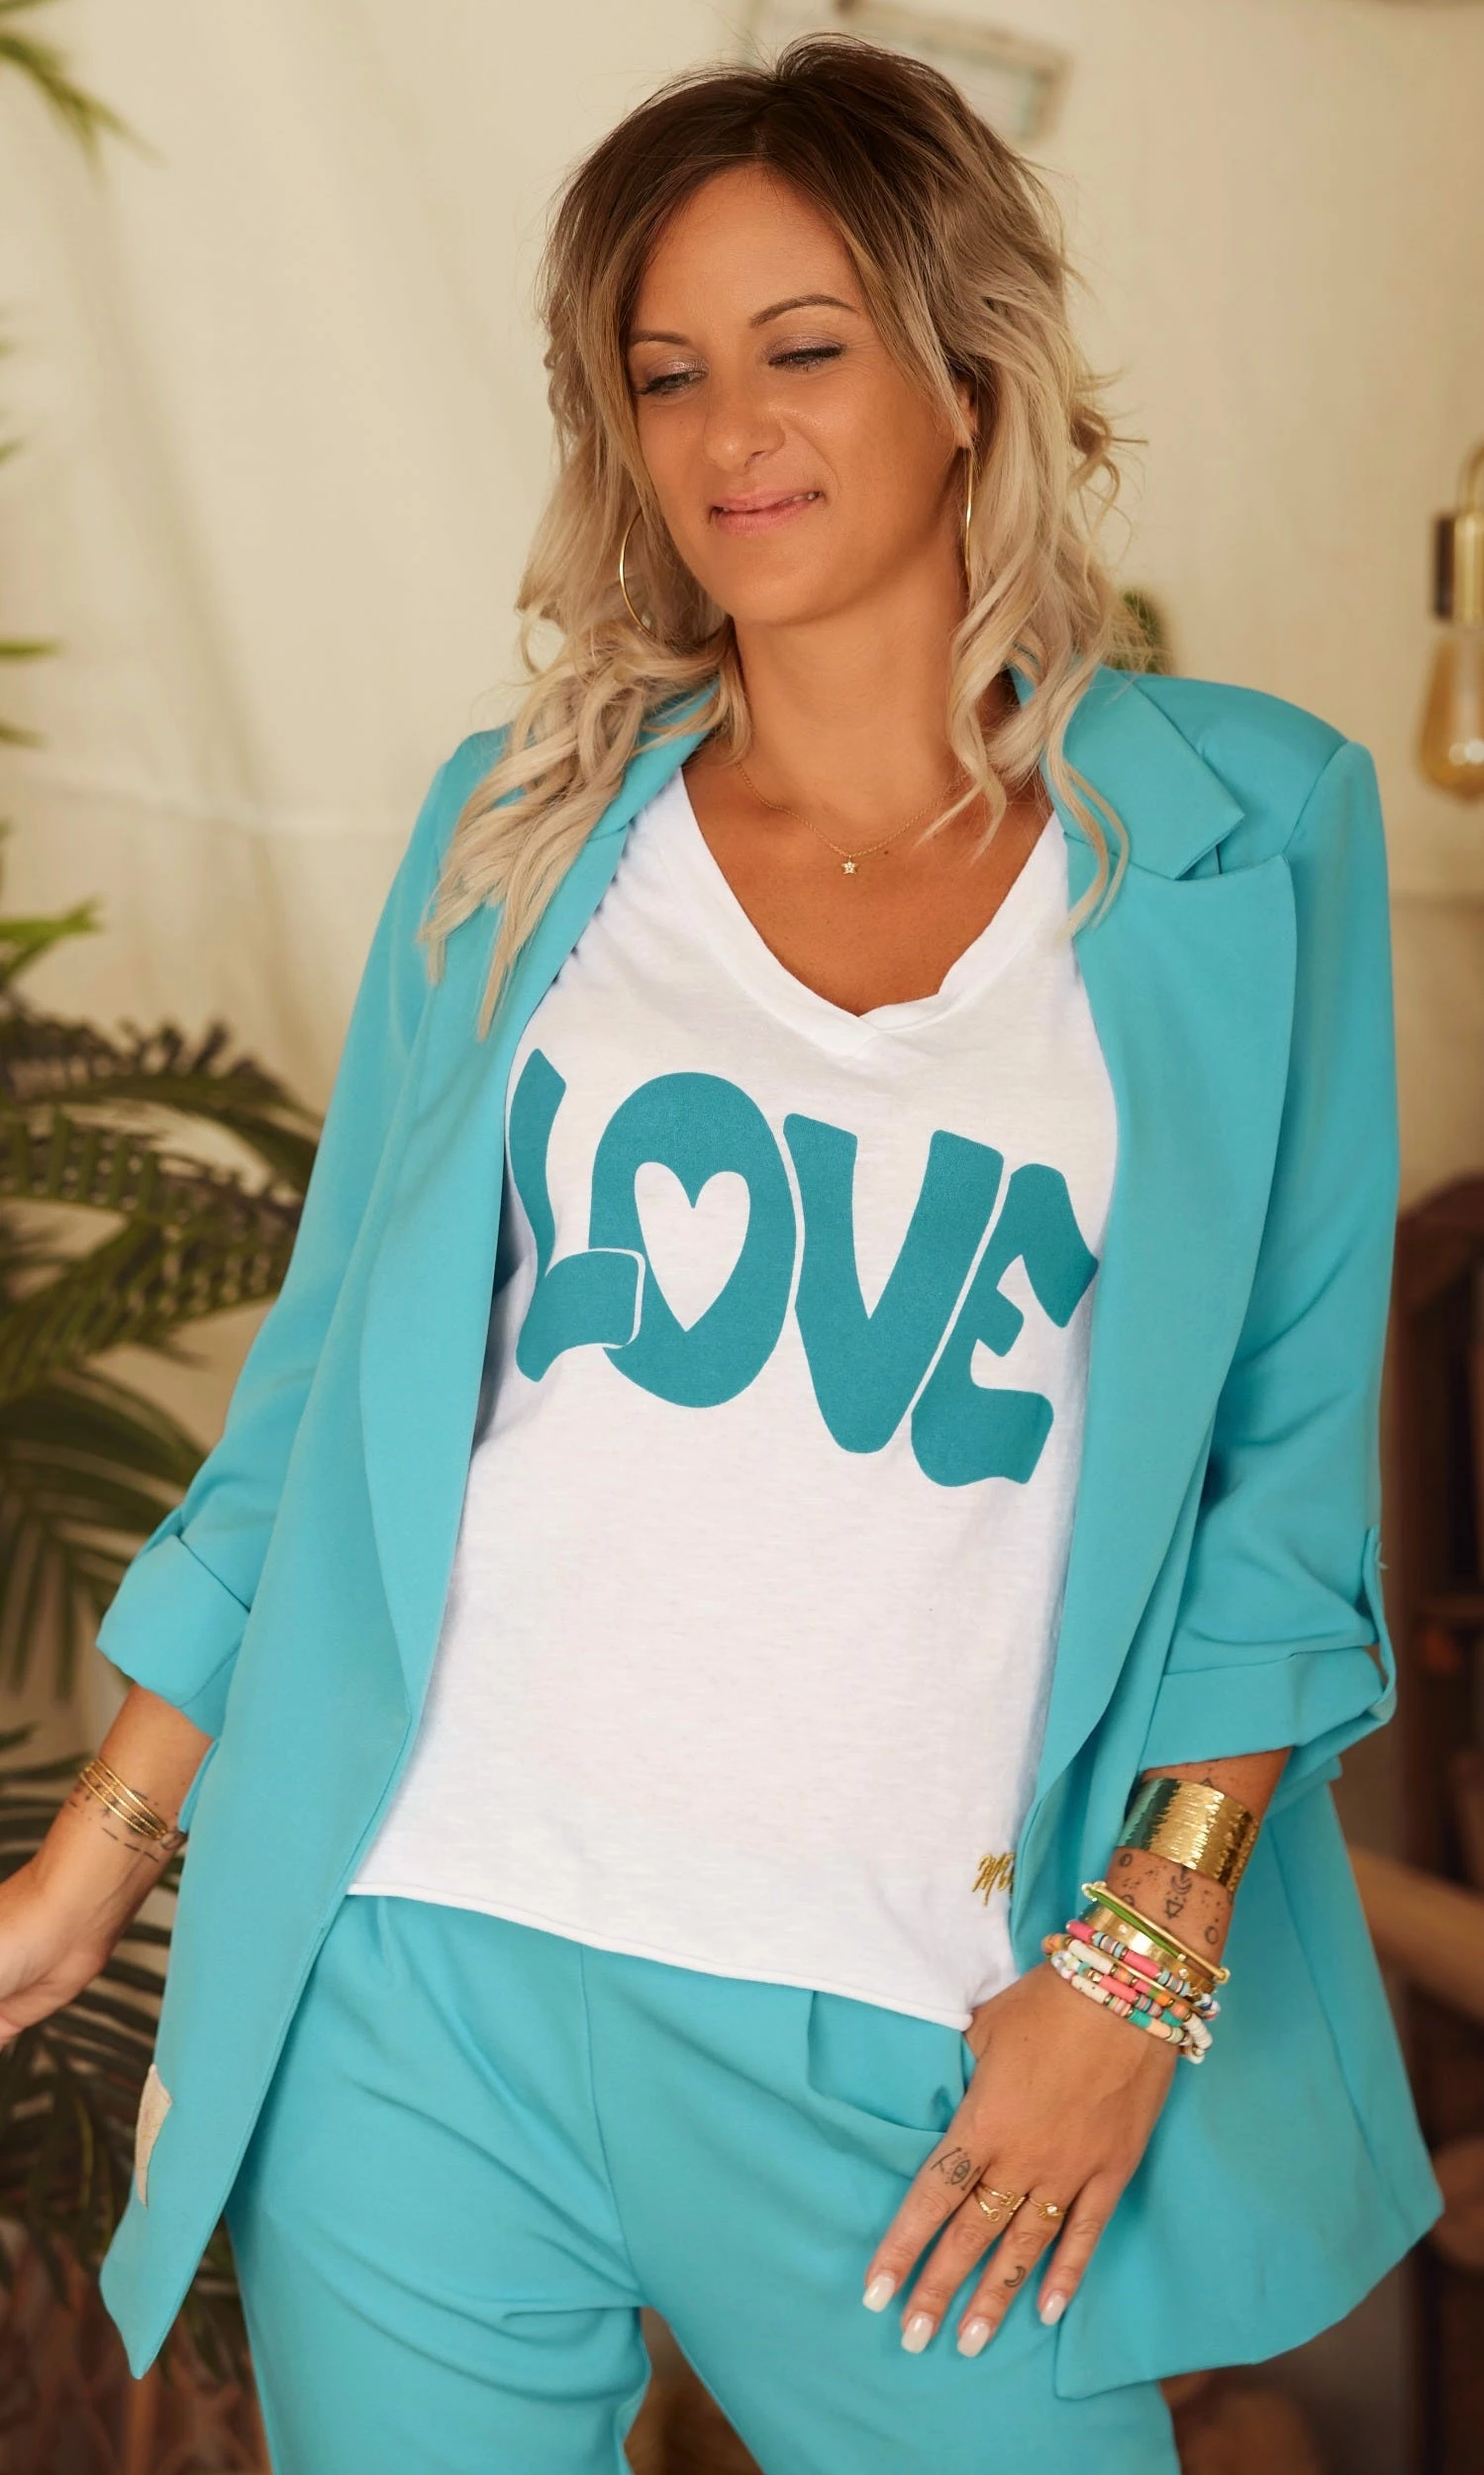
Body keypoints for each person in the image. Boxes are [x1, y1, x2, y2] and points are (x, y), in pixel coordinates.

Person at [0, 36, 1439, 2475]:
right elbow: (329, 1394)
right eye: (661, 374)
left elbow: (1283, 1476)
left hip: (913, 2021)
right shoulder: (521, 829)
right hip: (425, 1969)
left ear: (964, 377)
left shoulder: (1238, 834)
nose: (726, 433)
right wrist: (100, 1845)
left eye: (800, 349)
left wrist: (1139, 1957)